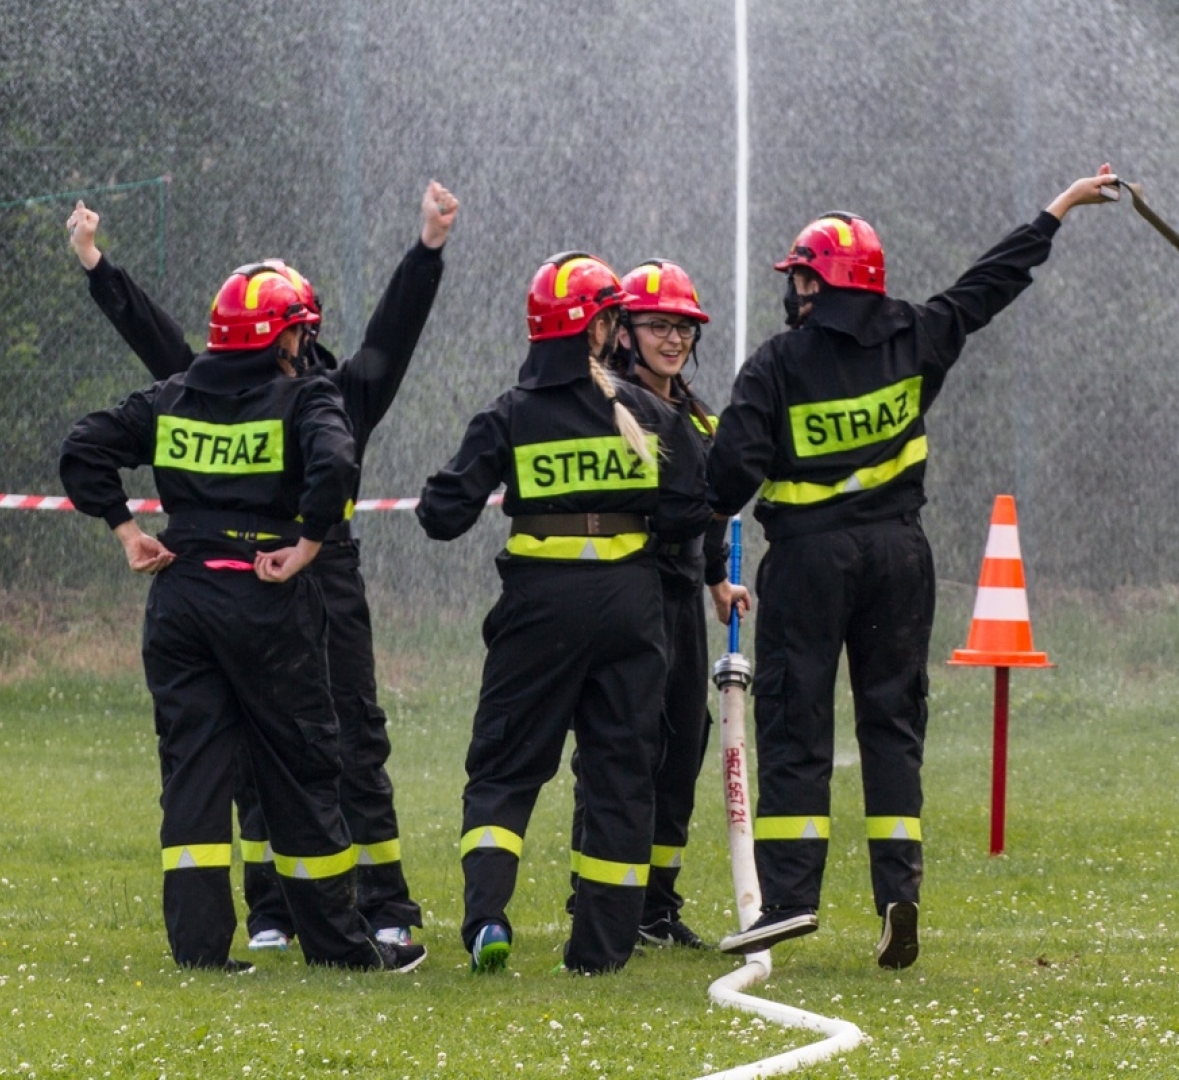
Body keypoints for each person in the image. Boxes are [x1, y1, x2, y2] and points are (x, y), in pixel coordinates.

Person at [708, 165, 1122, 969]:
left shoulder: (776, 366)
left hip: (809, 560)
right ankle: (899, 893)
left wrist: (710, 465)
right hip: (902, 556)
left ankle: (790, 898)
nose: (792, 291)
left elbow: (729, 479)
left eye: (798, 277)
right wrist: (1059, 207)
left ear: (816, 283)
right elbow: (989, 284)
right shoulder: (918, 335)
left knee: (798, 721)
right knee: (892, 726)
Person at [66, 183, 457, 950]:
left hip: (322, 584)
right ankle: (276, 911)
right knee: (265, 752)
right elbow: (160, 344)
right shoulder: (226, 388)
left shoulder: (335, 393)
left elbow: (395, 330)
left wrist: (426, 251)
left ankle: (383, 903)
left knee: (350, 741)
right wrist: (97, 268)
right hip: (269, 584)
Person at [416, 252, 710, 975]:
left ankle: (486, 916)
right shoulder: (651, 414)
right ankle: (600, 952)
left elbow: (441, 515)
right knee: (621, 771)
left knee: (504, 769)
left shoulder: (510, 414)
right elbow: (691, 504)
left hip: (539, 609)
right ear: (604, 326)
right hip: (631, 612)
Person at [566, 260, 750, 950]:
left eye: (683, 328)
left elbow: (699, 512)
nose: (673, 339)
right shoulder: (608, 403)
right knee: (620, 745)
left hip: (678, 594)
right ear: (624, 332)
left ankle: (655, 905)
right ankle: (598, 895)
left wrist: (715, 582)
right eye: (657, 326)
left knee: (682, 742)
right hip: (629, 592)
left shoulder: (693, 412)